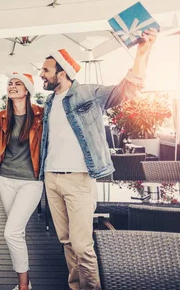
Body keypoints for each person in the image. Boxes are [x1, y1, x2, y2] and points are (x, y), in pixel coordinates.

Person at [39, 28, 157, 290]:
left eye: (46, 70)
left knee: (83, 245)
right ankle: (76, 286)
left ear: (62, 72)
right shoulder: (49, 103)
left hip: (79, 179)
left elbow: (128, 89)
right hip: (51, 178)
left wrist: (142, 51)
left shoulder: (89, 93)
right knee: (66, 241)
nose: (41, 75)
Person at [0, 73, 43, 290]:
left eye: (18, 83)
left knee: (11, 231)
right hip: (5, 179)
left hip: (31, 181)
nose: (13, 86)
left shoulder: (41, 115)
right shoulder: (2, 116)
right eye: (10, 83)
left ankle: (23, 286)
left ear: (27, 90)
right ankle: (24, 283)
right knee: (17, 231)